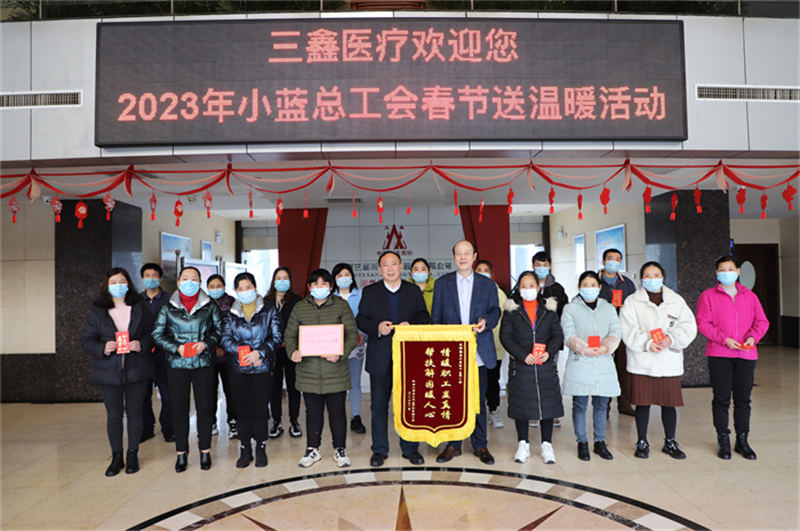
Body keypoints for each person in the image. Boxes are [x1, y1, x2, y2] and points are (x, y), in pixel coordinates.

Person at [356, 251, 431, 467]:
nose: (390, 268)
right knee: (379, 406)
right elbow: (361, 319)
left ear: (401, 267)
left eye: (394, 264)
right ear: (380, 269)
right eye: (385, 265)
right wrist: (377, 328)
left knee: (409, 405)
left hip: (409, 357)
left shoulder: (412, 291)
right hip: (380, 357)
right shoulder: (370, 292)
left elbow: (424, 316)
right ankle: (379, 450)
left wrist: (412, 325)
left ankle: (410, 448)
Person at [432, 240, 501, 465]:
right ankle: (454, 444)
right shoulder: (442, 284)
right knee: (452, 399)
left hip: (478, 350)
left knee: (477, 399)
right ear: (454, 257)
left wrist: (485, 321)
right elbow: (436, 319)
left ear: (474, 256)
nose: (462, 257)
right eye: (458, 253)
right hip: (451, 351)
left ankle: (480, 444)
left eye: (467, 253)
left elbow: (495, 311)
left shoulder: (487, 284)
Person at [80, 267, 154, 476]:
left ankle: (132, 454)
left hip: (136, 368)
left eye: (122, 281)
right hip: (108, 371)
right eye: (114, 282)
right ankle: (116, 456)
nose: (118, 286)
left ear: (128, 284)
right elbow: (86, 340)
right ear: (107, 285)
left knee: (135, 413)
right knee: (113, 415)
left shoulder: (139, 306)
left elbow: (153, 332)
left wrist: (142, 344)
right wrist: (102, 347)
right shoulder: (98, 310)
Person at [620, 261, 697, 460]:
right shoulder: (632, 301)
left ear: (663, 277)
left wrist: (671, 339)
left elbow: (688, 326)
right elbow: (628, 329)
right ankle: (642, 441)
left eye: (656, 275)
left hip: (668, 360)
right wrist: (647, 343)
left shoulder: (676, 300)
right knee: (643, 403)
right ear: (642, 278)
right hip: (643, 360)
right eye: (648, 275)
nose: (652, 279)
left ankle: (670, 441)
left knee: (669, 403)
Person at [696, 255, 769, 460]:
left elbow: (762, 322)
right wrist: (724, 339)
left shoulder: (750, 296)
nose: (726, 273)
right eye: (722, 270)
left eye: (730, 269)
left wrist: (753, 337)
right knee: (721, 399)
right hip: (719, 354)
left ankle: (742, 440)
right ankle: (723, 440)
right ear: (716, 273)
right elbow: (703, 323)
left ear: (738, 272)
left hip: (746, 354)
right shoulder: (708, 296)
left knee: (743, 400)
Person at [284, 269, 358, 468]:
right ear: (309, 287)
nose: (319, 288)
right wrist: (293, 351)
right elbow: (289, 335)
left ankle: (340, 449)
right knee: (312, 413)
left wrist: (340, 353)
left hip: (335, 371)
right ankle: (312, 449)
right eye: (315, 284)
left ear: (331, 286)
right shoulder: (300, 307)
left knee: (337, 412)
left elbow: (352, 333)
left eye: (324, 284)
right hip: (308, 371)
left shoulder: (341, 305)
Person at [152, 266, 223, 472]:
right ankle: (181, 453)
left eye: (194, 279)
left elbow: (219, 330)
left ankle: (205, 451)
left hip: (203, 364)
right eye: (185, 278)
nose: (189, 282)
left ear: (200, 283)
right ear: (178, 282)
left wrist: (206, 344)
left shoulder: (210, 306)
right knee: (179, 409)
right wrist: (177, 348)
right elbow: (157, 334)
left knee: (205, 408)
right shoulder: (168, 307)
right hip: (177, 365)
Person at [500, 270, 564, 464]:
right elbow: (505, 337)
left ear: (538, 288)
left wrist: (549, 352)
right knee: (522, 405)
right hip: (522, 365)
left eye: (531, 286)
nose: (527, 289)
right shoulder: (512, 310)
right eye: (523, 286)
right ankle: (523, 444)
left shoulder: (549, 309)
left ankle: (547, 445)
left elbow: (557, 335)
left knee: (547, 405)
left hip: (545, 365)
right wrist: (522, 355)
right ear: (519, 289)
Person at [220, 272, 282, 468]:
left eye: (248, 287)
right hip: (238, 369)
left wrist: (260, 353)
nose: (245, 291)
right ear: (235, 291)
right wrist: (242, 352)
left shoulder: (269, 310)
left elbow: (276, 337)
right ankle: (245, 447)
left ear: (255, 288)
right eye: (240, 288)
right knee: (242, 409)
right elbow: (225, 339)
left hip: (262, 367)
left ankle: (261, 447)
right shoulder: (230, 313)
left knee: (260, 409)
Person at [561, 271, 622, 461]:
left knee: (601, 404)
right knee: (580, 404)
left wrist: (606, 346)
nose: (589, 289)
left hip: (603, 361)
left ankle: (600, 442)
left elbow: (616, 331)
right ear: (579, 287)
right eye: (585, 285)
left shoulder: (608, 308)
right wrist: (583, 348)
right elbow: (568, 333)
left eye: (593, 285)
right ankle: (582, 441)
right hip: (581, 361)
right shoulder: (570, 308)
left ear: (599, 287)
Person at [597, 248, 637, 416]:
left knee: (624, 368)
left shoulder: (626, 283)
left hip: (622, 331)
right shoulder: (594, 281)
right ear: (603, 261)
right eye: (610, 258)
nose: (613, 262)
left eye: (617, 259)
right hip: (601, 332)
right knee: (603, 369)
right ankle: (603, 407)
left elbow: (635, 305)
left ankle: (625, 404)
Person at [265, 267, 303, 439]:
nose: (282, 281)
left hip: (292, 350)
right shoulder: (266, 301)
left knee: (293, 387)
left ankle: (294, 421)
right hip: (272, 351)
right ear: (274, 281)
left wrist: (292, 342)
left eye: (285, 278)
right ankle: (276, 422)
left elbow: (301, 325)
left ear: (290, 280)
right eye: (278, 278)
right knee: (274, 388)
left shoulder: (297, 300)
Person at [332, 263, 368, 435]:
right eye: (339, 275)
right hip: (334, 348)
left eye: (346, 274)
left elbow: (366, 318)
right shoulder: (330, 297)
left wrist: (362, 335)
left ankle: (355, 416)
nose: (343, 278)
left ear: (352, 277)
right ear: (334, 279)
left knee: (354, 382)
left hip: (356, 346)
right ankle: (338, 417)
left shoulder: (360, 296)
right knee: (337, 383)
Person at [139, 263, 173, 443]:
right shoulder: (136, 300)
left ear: (160, 278)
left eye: (154, 275)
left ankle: (168, 428)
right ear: (142, 279)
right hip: (143, 354)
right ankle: (146, 428)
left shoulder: (170, 299)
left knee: (168, 394)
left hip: (164, 352)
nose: (151, 279)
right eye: (147, 275)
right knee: (143, 394)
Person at [475, 259, 508, 430]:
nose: (482, 273)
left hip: (494, 344)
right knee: (476, 382)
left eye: (485, 270)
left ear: (492, 274)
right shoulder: (470, 290)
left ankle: (493, 409)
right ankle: (477, 413)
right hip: (474, 346)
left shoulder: (499, 293)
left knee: (492, 380)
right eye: (479, 270)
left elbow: (504, 319)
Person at [206, 274, 237, 439]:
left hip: (229, 355)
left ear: (224, 286)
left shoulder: (232, 303)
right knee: (209, 391)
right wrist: (213, 347)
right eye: (212, 286)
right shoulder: (203, 303)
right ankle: (211, 422)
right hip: (208, 355)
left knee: (231, 390)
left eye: (218, 286)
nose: (215, 289)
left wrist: (224, 347)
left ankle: (233, 421)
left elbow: (235, 328)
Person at [532, 251, 569, 317]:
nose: (542, 268)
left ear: (550, 267)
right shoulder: (525, 287)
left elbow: (565, 311)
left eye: (545, 265)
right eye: (538, 265)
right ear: (533, 267)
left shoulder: (558, 289)